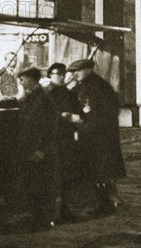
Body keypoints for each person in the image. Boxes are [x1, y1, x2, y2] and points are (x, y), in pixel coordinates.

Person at [68, 58, 126, 216]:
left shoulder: (99, 87)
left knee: (101, 170)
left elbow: (102, 113)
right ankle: (109, 200)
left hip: (100, 137)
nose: (75, 75)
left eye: (77, 71)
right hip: (91, 135)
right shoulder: (83, 85)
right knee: (98, 170)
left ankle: (107, 204)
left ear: (88, 69)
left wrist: (81, 122)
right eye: (73, 72)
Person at [5, 67, 59, 231]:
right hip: (31, 149)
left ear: (31, 80)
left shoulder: (43, 99)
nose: (20, 82)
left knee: (42, 186)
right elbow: (19, 104)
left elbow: (52, 127)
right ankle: (37, 218)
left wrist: (42, 150)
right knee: (33, 185)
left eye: (23, 79)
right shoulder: (32, 97)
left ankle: (45, 221)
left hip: (40, 151)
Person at [44, 63, 83, 223]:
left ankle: (65, 210)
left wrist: (73, 119)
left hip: (66, 138)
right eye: (57, 73)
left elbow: (79, 113)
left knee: (67, 175)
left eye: (63, 73)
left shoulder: (69, 93)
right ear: (50, 75)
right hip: (51, 139)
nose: (61, 76)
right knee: (53, 176)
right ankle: (51, 213)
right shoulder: (46, 94)